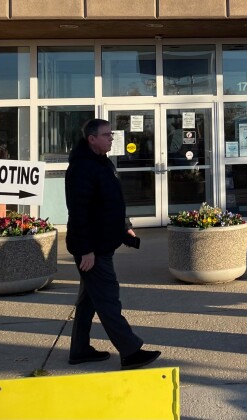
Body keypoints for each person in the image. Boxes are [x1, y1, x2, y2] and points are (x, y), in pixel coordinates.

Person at [65, 118, 161, 370]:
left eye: (111, 134)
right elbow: (79, 212)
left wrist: (124, 224)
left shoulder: (102, 162)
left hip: (102, 243)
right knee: (108, 299)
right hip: (93, 248)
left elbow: (112, 199)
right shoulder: (82, 168)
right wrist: (86, 250)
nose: (111, 138)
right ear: (92, 139)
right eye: (106, 135)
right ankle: (130, 351)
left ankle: (80, 349)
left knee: (88, 301)